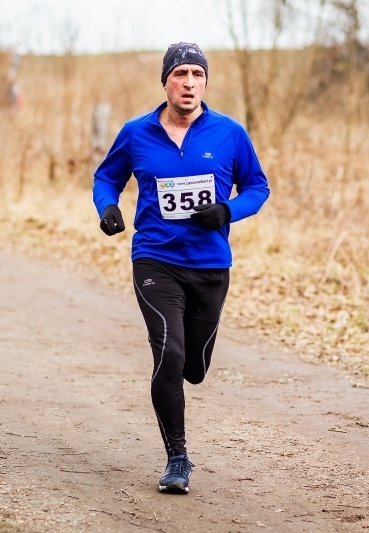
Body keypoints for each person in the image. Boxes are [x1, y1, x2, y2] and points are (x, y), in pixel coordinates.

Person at [92, 43, 270, 494]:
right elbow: (106, 176)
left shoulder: (229, 133)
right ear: (166, 81)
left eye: (196, 74)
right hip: (155, 260)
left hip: (211, 265)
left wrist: (228, 211)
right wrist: (108, 206)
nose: (189, 82)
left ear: (205, 82)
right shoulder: (136, 132)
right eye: (180, 74)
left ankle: (190, 371)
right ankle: (177, 458)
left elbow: (257, 187)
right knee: (169, 356)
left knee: (193, 367)